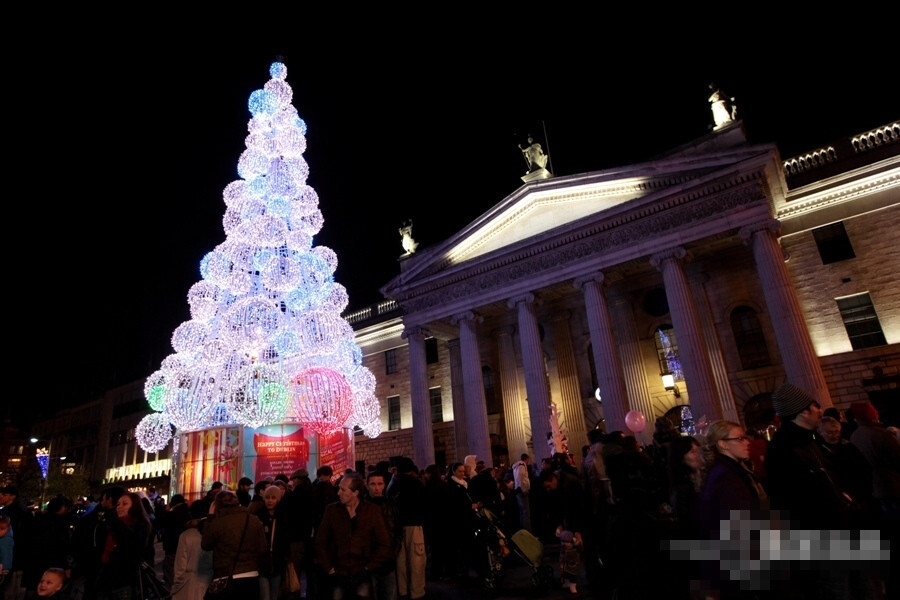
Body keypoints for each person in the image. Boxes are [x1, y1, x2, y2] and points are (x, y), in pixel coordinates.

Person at [314, 474, 392, 600]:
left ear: (355, 492)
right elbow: (320, 542)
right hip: (338, 572)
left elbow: (384, 543)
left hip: (362, 572)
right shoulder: (332, 510)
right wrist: (329, 568)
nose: (338, 493)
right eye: (339, 488)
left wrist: (369, 567)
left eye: (343, 490)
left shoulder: (372, 511)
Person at [201, 490, 266, 600]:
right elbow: (262, 548)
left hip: (225, 575)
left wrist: (210, 518)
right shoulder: (253, 520)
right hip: (251, 574)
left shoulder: (217, 523)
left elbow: (205, 544)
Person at [95, 492, 155, 600]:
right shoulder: (110, 526)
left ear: (134, 506)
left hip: (126, 582)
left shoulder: (141, 525)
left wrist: (117, 523)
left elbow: (134, 545)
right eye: (118, 504)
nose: (120, 507)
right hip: (106, 581)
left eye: (125, 504)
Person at [69, 485, 124, 600]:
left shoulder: (111, 520)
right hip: (96, 567)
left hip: (99, 568)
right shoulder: (96, 518)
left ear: (109, 500)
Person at [386, 457, 426, 600]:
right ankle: (416, 592)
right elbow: (424, 504)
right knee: (416, 560)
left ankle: (402, 590)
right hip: (414, 525)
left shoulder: (392, 484)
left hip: (396, 527)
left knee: (400, 560)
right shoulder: (415, 484)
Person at [366, 471, 399, 600]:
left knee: (390, 594)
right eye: (373, 484)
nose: (377, 488)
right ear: (367, 485)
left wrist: (394, 552)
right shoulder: (362, 506)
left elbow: (397, 530)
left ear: (384, 485)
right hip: (369, 560)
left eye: (380, 484)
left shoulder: (391, 505)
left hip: (388, 559)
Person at [171, 500, 213, 600]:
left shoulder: (186, 535)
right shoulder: (214, 533)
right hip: (208, 581)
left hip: (188, 583)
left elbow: (180, 566)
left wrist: (176, 586)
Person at [257, 485, 288, 600]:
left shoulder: (282, 516)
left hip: (277, 561)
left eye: (273, 498)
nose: (270, 501)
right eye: (267, 497)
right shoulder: (258, 516)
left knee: (274, 595)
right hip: (262, 562)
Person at [159, 494, 191, 589]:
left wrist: (166, 510)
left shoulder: (172, 514)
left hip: (172, 547)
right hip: (185, 547)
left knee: (171, 573)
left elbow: (161, 523)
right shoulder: (188, 512)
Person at [511, 453, 532, 532]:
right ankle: (527, 530)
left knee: (522, 512)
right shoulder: (521, 466)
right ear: (526, 459)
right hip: (522, 491)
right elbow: (521, 478)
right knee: (526, 512)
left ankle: (524, 529)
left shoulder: (517, 466)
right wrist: (524, 489)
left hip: (518, 490)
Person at [557, 529, 581, 595]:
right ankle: (567, 583)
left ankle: (573, 586)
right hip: (566, 565)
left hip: (573, 566)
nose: (564, 544)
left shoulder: (574, 549)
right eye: (563, 542)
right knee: (565, 574)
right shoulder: (563, 548)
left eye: (566, 542)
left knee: (572, 576)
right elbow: (561, 555)